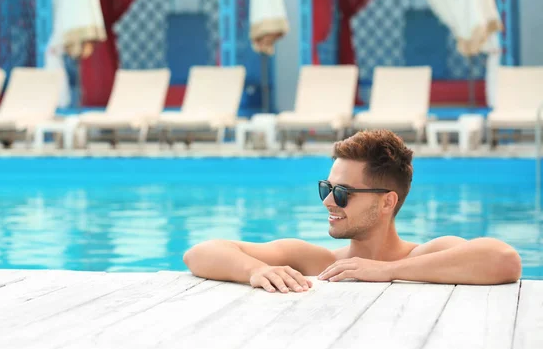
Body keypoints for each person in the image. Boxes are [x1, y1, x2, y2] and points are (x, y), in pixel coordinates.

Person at [183, 129, 522, 293]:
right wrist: (254, 271)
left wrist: (386, 271)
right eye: (326, 188)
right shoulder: (318, 262)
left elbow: (504, 259)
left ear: (387, 201)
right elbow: (200, 252)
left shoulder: (426, 255)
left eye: (342, 192)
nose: (328, 202)